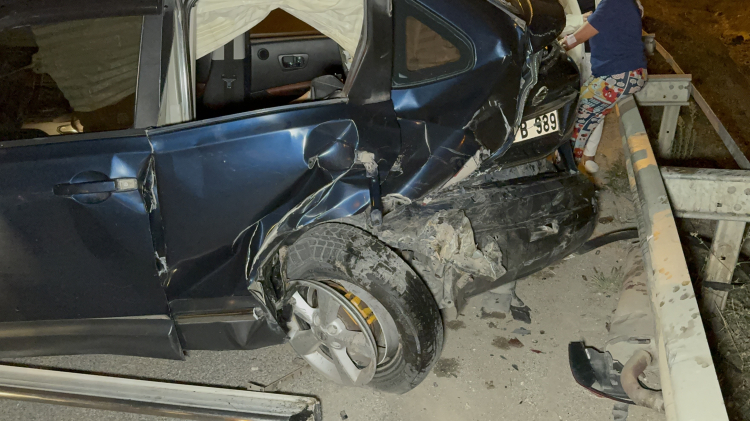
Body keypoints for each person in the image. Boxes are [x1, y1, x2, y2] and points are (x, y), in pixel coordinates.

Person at [561, 0, 647, 173]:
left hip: (621, 74)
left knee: (580, 113)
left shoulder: (612, 3)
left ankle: (567, 167)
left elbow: (579, 37)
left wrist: (559, 46)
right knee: (584, 104)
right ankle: (571, 162)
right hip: (617, 73)